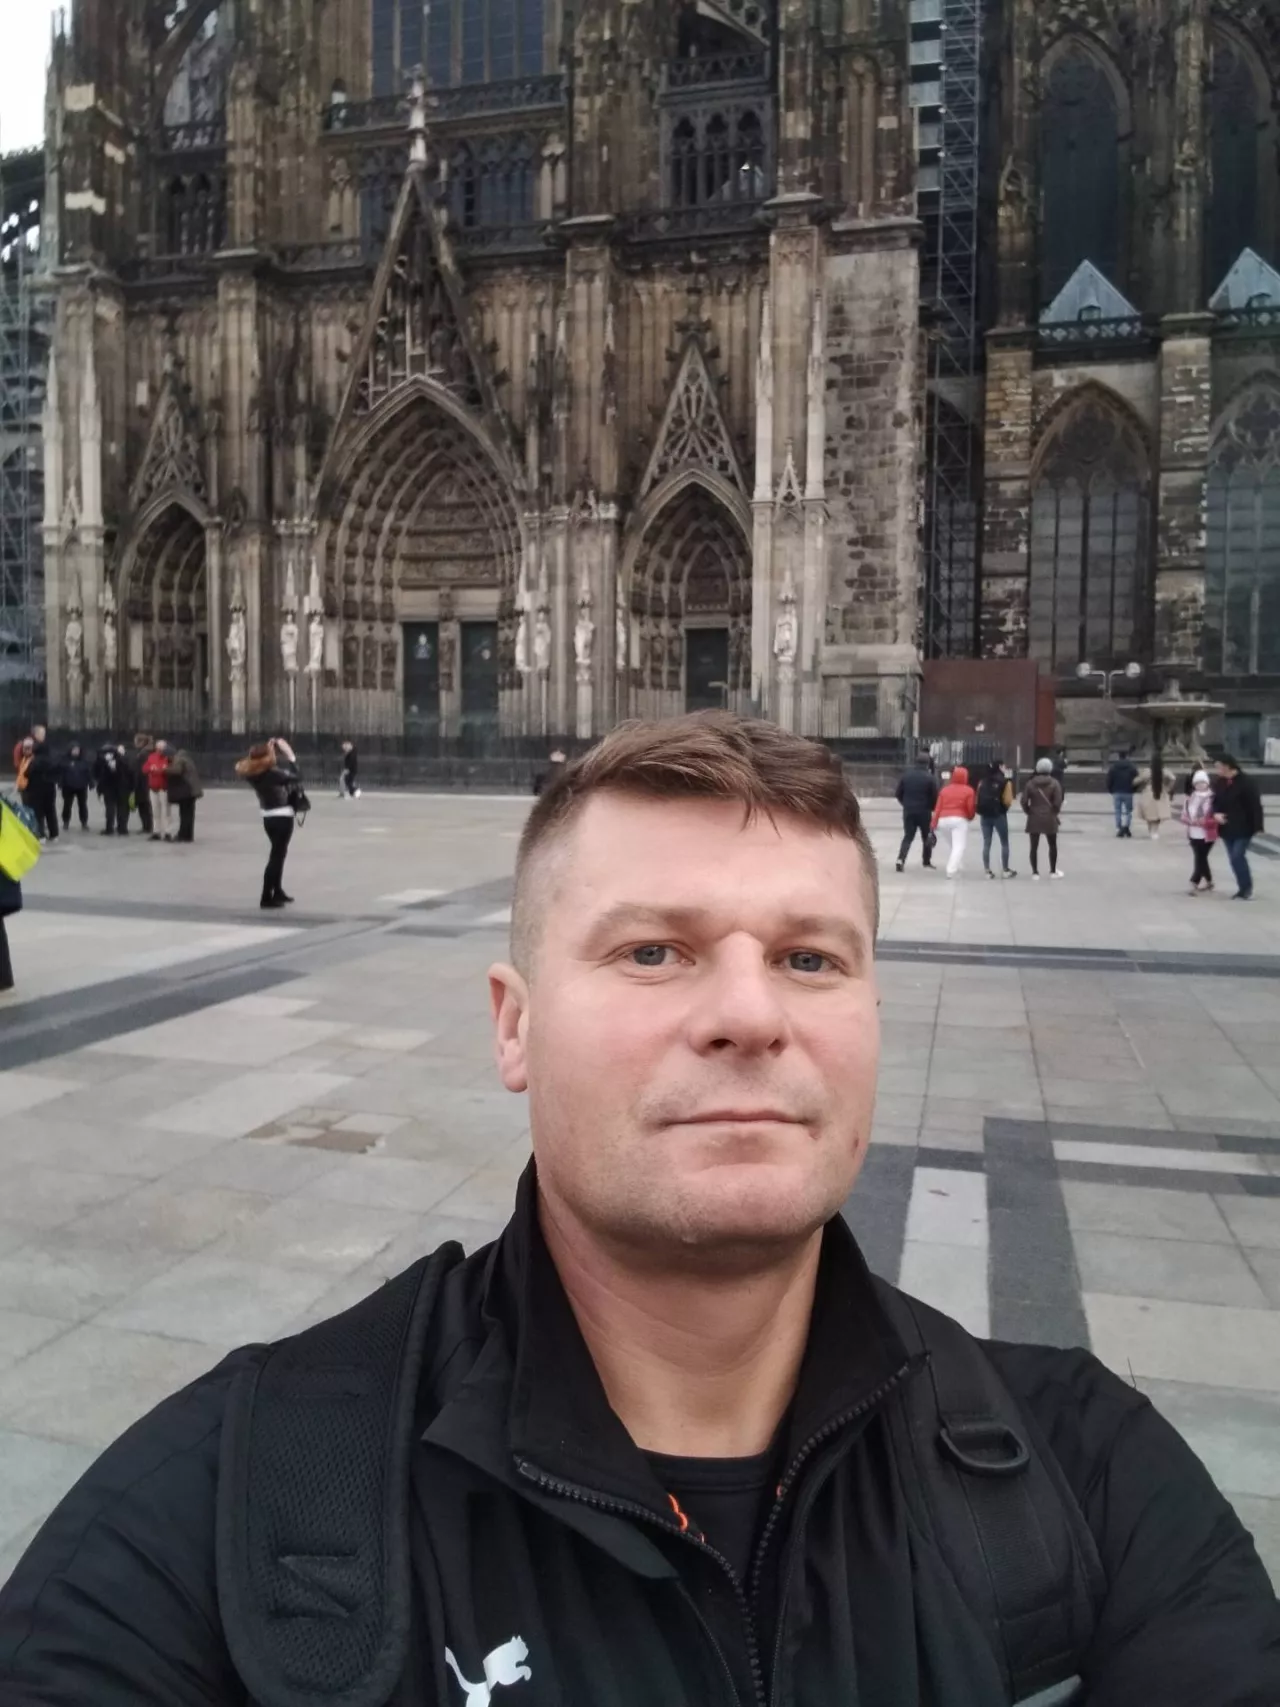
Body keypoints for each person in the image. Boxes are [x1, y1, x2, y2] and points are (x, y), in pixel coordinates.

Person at [3, 711, 1279, 1706]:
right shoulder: (235, 1508)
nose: (747, 1014)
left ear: (871, 1016)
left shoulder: (1087, 1478)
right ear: (512, 1026)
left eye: (808, 958)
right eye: (652, 951)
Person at [237, 736, 302, 909]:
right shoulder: (272, 774)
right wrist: (291, 756)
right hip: (282, 817)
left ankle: (277, 890)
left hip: (268, 816)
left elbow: (263, 762)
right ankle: (266, 896)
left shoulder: (253, 773)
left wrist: (267, 750)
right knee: (276, 857)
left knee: (278, 854)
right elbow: (297, 777)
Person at [1214, 754, 1265, 901]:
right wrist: (1215, 814)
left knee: (1237, 856)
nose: (1217, 770)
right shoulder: (1220, 782)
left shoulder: (1247, 782)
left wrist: (1258, 826)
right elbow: (1215, 801)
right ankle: (1242, 888)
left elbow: (1255, 805)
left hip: (1244, 827)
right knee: (1233, 859)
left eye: (1219, 767)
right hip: (1226, 827)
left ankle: (1247, 888)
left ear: (1227, 766)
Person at [1021, 755, 1064, 879]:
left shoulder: (1030, 783)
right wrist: (1055, 812)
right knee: (1052, 845)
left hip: (1034, 816)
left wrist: (1029, 811)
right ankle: (1052, 871)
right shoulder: (1054, 783)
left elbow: (1024, 801)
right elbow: (1058, 801)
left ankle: (1035, 872)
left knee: (1034, 846)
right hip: (1050, 816)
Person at [893, 753, 938, 872]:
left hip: (909, 811)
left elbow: (898, 793)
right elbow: (934, 796)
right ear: (927, 764)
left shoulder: (906, 776)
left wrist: (905, 803)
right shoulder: (930, 778)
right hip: (924, 811)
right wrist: (931, 807)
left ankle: (900, 859)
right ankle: (926, 861)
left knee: (908, 836)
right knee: (926, 836)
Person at [930, 761, 976, 878]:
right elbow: (970, 807)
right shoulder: (969, 790)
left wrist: (933, 824)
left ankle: (958, 865)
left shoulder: (944, 790)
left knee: (953, 844)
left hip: (943, 821)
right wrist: (970, 817)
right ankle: (951, 870)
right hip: (959, 820)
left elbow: (938, 808)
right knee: (959, 846)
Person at [975, 759, 1016, 879]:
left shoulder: (982, 781)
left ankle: (987, 871)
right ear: (1000, 767)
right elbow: (1008, 800)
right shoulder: (1005, 782)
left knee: (986, 842)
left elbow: (977, 798)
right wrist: (1003, 808)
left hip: (985, 815)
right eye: (1004, 766)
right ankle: (1005, 870)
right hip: (999, 815)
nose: (1005, 768)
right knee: (1004, 842)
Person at [1182, 769, 1219, 895]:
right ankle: (1209, 881)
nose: (1200, 785)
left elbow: (1216, 817)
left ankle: (1194, 881)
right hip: (1193, 832)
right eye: (1197, 783)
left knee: (1200, 857)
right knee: (1201, 857)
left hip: (1208, 833)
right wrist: (1190, 821)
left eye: (1203, 782)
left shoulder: (1213, 798)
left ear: (1207, 783)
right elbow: (1184, 814)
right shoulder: (1190, 798)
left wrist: (1204, 822)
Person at [21, 729, 59, 843]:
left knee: (38, 813)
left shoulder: (34, 761)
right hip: (50, 789)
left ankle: (40, 834)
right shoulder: (52, 760)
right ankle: (54, 834)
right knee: (50, 811)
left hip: (35, 790)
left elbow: (26, 774)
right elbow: (57, 773)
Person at [165, 748, 204, 843]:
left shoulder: (179, 759)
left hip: (187, 791)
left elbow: (177, 770)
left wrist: (164, 769)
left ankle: (183, 835)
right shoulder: (187, 758)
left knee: (184, 814)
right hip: (192, 791)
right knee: (189, 814)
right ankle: (188, 835)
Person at [92, 743, 130, 836]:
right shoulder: (122, 760)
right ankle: (122, 828)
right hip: (122, 787)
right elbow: (129, 773)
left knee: (110, 808)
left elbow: (97, 774)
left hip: (109, 787)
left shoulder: (101, 761)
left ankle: (110, 828)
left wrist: (100, 788)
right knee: (121, 808)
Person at [142, 740, 171, 841]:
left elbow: (170, 769)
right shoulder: (152, 757)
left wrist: (161, 769)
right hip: (153, 787)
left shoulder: (168, 758)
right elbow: (144, 768)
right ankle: (156, 831)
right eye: (158, 749)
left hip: (164, 788)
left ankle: (167, 832)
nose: (159, 751)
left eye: (161, 749)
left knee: (166, 811)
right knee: (155, 811)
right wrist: (151, 768)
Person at [1138, 759, 1174, 840]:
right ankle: (1154, 831)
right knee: (1157, 813)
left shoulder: (1147, 771)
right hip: (1160, 791)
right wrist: (1168, 788)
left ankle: (1152, 830)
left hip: (1148, 792)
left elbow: (1139, 780)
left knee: (1150, 813)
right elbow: (1173, 778)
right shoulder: (1165, 771)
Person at [1106, 750, 1139, 838]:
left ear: (1118, 757)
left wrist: (1111, 790)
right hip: (1128, 791)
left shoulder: (1113, 767)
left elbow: (1109, 780)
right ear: (1127, 756)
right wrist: (1134, 789)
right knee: (1128, 811)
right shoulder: (1132, 767)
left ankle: (1119, 828)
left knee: (1118, 810)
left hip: (1117, 791)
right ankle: (1126, 827)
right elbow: (1137, 780)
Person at [59, 742, 91, 831]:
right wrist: (61, 783)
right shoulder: (65, 760)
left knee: (82, 805)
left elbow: (88, 772)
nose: (76, 751)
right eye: (74, 749)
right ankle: (66, 821)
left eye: (77, 750)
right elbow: (62, 773)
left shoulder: (83, 761)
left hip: (81, 786)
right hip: (68, 786)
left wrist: (91, 782)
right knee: (67, 805)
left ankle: (84, 822)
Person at [131, 734, 156, 837]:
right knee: (146, 805)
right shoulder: (149, 752)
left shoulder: (143, 754)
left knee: (143, 805)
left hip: (143, 782)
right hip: (147, 781)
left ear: (141, 742)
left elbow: (140, 770)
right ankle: (148, 826)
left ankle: (147, 826)